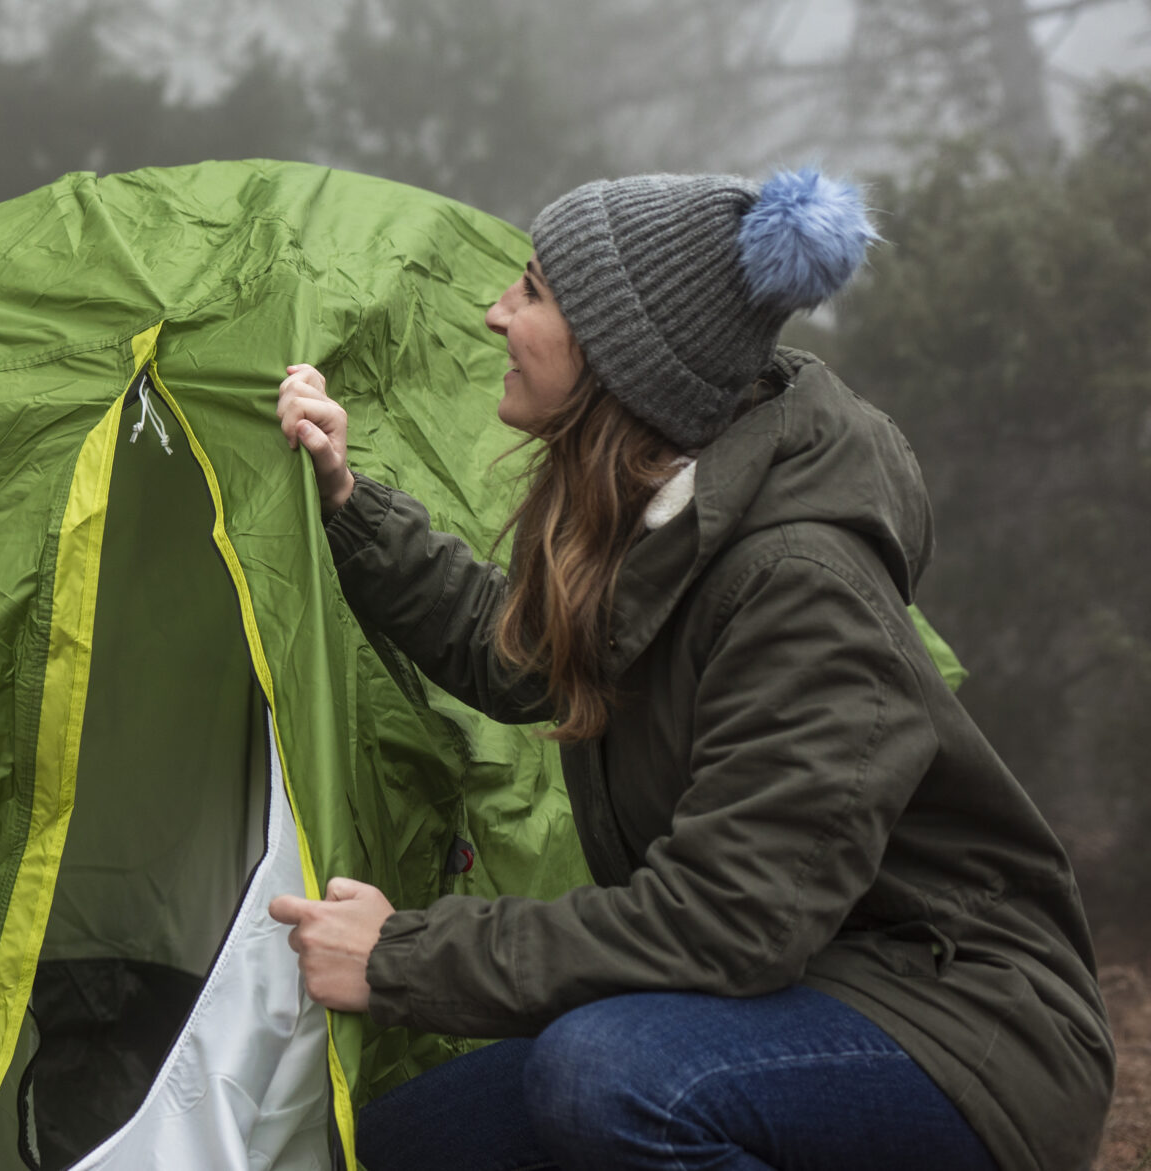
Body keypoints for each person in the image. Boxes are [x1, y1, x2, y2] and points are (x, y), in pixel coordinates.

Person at [266, 171, 1113, 1171]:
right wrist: (345, 498)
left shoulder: (799, 587)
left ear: (623, 359)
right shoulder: (672, 527)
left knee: (606, 1079)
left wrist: (405, 955)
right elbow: (513, 654)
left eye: (533, 292)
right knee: (409, 1146)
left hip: (956, 1030)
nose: (497, 314)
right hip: (785, 994)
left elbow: (730, 921)